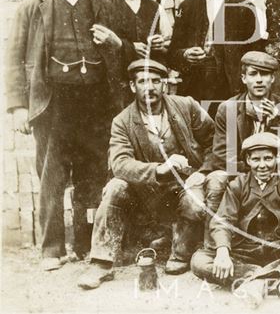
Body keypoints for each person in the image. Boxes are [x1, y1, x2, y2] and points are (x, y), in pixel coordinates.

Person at [5, 0, 128, 270]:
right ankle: (52, 250)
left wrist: (113, 45)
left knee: (92, 175)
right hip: (52, 105)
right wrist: (17, 108)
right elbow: (14, 58)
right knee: (51, 178)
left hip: (95, 106)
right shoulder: (33, 7)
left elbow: (120, 59)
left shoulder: (101, 6)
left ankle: (88, 244)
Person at [77, 59, 216, 289]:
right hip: (145, 193)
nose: (149, 87)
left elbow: (216, 141)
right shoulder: (122, 121)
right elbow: (119, 163)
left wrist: (203, 172)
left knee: (195, 199)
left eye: (155, 81)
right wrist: (158, 169)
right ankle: (101, 263)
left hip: (183, 186)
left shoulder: (187, 106)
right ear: (133, 86)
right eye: (142, 81)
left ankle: (180, 253)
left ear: (164, 84)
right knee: (115, 187)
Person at [191, 132, 280, 308]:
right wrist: (222, 250)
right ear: (248, 161)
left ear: (277, 158)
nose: (263, 165)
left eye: (268, 158)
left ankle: (258, 283)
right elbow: (223, 220)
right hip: (246, 251)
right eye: (256, 159)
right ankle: (278, 278)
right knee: (199, 260)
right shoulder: (237, 185)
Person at [206, 51, 280, 214]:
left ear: (273, 79)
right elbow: (221, 155)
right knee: (216, 178)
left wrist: (276, 124)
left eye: (265, 74)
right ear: (244, 78)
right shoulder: (228, 109)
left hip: (278, 174)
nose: (259, 80)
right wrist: (254, 171)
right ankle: (212, 236)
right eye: (253, 74)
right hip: (240, 173)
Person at [168, 0, 261, 116]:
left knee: (230, 133)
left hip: (231, 85)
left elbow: (254, 53)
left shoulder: (245, 8)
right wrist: (185, 54)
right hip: (195, 85)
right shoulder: (187, 7)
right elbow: (173, 53)